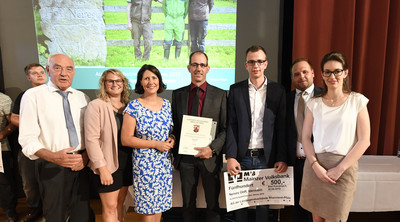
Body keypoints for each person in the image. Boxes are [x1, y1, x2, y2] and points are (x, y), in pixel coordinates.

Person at [18, 54, 94, 221]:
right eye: (57, 68)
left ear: (74, 72)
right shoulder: (33, 96)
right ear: (48, 70)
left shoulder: (82, 98)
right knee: (55, 215)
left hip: (81, 164)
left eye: (69, 69)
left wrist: (86, 156)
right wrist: (54, 157)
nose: (64, 73)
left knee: (81, 215)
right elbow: (27, 139)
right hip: (51, 165)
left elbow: (90, 136)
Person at [300, 52, 370, 222]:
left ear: (345, 72)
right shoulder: (314, 103)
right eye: (327, 72)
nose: (332, 76)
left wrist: (340, 169)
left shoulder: (357, 101)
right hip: (315, 168)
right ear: (322, 74)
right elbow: (306, 138)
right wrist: (315, 165)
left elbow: (364, 141)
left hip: (343, 169)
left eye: (337, 71)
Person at [226, 45, 287, 222]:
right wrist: (230, 156)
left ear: (266, 64)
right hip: (241, 158)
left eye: (260, 61)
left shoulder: (278, 90)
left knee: (262, 209)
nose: (256, 66)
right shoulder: (236, 90)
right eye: (251, 62)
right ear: (246, 65)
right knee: (240, 209)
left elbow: (282, 127)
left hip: (266, 158)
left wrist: (281, 156)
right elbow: (231, 125)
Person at [172, 51, 226, 222]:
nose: (198, 69)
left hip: (210, 158)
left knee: (212, 205)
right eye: (194, 65)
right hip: (186, 158)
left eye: (202, 65)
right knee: (187, 204)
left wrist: (212, 149)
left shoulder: (220, 94)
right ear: (189, 68)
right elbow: (175, 126)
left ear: (208, 69)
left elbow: (225, 129)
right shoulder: (178, 94)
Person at [121, 64, 175, 222]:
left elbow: (171, 130)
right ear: (140, 82)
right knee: (148, 211)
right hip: (145, 165)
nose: (151, 82)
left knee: (159, 209)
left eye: (154, 77)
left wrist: (172, 137)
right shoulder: (134, 106)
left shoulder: (167, 105)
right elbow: (126, 139)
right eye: (146, 78)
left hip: (164, 164)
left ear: (159, 81)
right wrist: (155, 144)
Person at [85, 69, 132, 222]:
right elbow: (91, 139)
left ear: (123, 84)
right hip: (108, 164)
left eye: (118, 81)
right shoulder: (96, 105)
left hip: (126, 163)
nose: (114, 84)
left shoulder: (129, 107)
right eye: (110, 81)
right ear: (104, 84)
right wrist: (102, 168)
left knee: (120, 203)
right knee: (110, 207)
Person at [9, 63, 47, 222]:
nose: (39, 75)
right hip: (28, 149)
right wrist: (32, 123)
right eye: (35, 73)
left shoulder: (55, 94)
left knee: (50, 182)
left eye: (41, 72)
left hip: (50, 147)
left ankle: (51, 209)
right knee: (29, 183)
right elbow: (13, 118)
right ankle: (34, 209)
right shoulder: (24, 96)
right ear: (28, 77)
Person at [286, 58, 321, 222]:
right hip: (295, 163)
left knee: (317, 209)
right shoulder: (286, 99)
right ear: (293, 78)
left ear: (313, 73)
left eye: (305, 72)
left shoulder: (325, 97)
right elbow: (281, 132)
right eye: (297, 74)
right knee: (298, 210)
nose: (301, 76)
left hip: (320, 163)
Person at [0, 92, 17, 222]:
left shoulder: (4, 99)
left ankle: (9, 211)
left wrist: (1, 135)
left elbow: (13, 122)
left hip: (1, 147)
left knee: (4, 182)